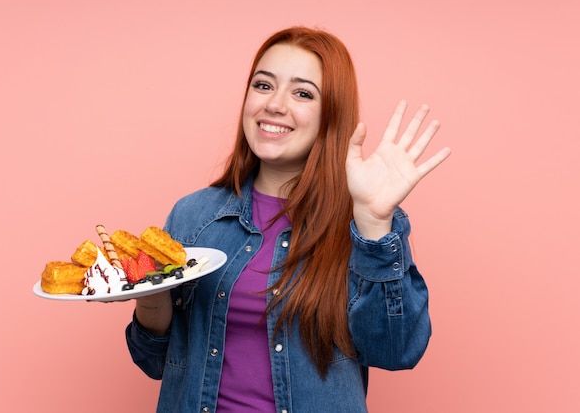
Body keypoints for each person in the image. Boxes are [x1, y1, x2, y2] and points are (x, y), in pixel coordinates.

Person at [125, 26, 451, 413]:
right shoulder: (194, 215)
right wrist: (151, 296)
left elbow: (397, 350)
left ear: (330, 115)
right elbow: (153, 360)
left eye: (302, 93)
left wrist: (374, 223)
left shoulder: (364, 222)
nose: (275, 105)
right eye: (263, 86)